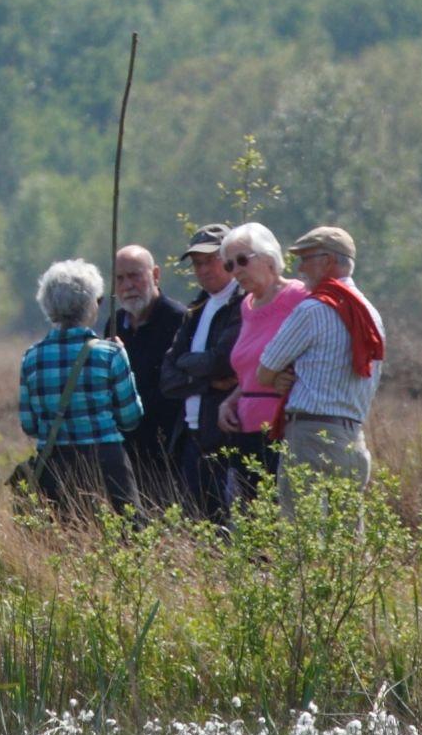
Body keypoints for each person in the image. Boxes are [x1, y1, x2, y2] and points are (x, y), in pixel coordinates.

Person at [257, 227, 387, 516]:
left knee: (302, 536)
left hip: (308, 435)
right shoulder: (371, 314)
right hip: (352, 437)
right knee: (349, 543)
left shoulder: (312, 310)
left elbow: (264, 371)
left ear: (328, 261)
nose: (300, 269)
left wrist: (282, 379)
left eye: (306, 259)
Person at [18, 259, 143, 519]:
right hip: (108, 464)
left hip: (54, 465)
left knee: (61, 543)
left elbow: (29, 425)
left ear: (48, 305)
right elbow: (131, 418)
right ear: (89, 305)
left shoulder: (32, 358)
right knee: (126, 539)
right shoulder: (111, 354)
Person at [215, 223, 309, 507]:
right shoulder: (247, 305)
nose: (237, 271)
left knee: (283, 516)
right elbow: (250, 372)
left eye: (243, 260)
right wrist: (228, 402)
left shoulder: (298, 296)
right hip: (245, 431)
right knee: (252, 521)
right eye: (230, 265)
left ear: (269, 258)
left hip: (283, 428)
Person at [158, 223, 243, 523]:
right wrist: (206, 383)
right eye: (197, 264)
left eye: (211, 260)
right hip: (193, 438)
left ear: (231, 258)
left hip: (228, 440)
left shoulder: (242, 303)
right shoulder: (197, 306)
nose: (204, 270)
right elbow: (168, 376)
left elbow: (223, 361)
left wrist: (188, 365)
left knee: (232, 527)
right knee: (203, 529)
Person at [110, 245, 187, 508]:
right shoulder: (115, 322)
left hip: (169, 450)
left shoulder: (178, 319)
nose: (127, 285)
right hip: (126, 449)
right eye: (120, 278)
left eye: (135, 275)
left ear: (155, 275)